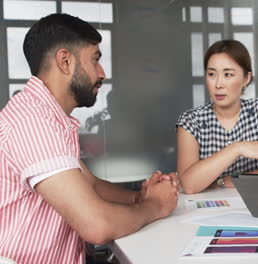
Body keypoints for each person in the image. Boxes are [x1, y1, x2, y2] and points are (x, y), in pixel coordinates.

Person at [0, 14, 178, 263]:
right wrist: (155, 207)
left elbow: (89, 183)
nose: (102, 73)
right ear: (65, 61)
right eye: (95, 60)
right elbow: (97, 226)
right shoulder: (33, 122)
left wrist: (139, 196)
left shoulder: (47, 115)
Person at [176, 40, 258, 194]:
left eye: (228, 74)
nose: (218, 84)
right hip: (207, 213)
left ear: (246, 79)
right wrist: (236, 148)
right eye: (212, 74)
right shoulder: (191, 121)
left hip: (257, 205)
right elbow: (189, 184)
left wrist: (232, 179)